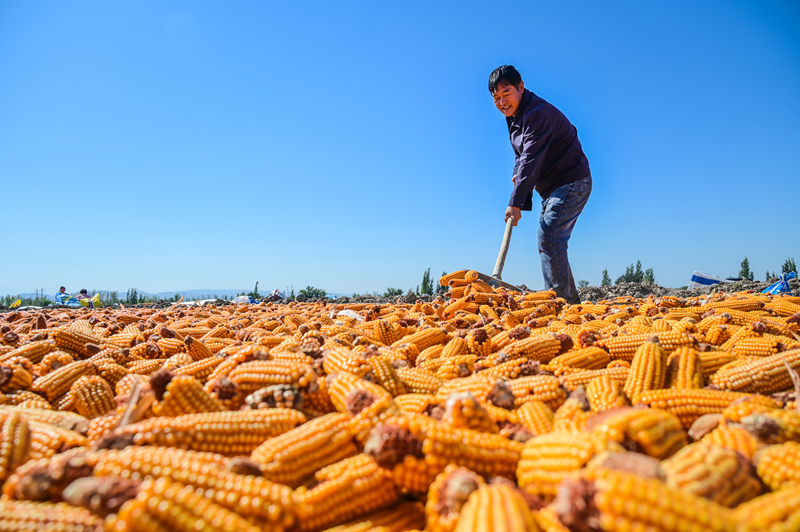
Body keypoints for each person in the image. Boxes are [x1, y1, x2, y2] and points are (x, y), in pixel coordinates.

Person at [489, 65, 592, 304]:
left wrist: (516, 203)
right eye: (496, 98)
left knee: (550, 237)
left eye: (507, 93)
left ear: (521, 87)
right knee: (551, 239)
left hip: (571, 181)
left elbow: (531, 158)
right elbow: (522, 156)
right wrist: (518, 173)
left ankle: (560, 302)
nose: (502, 102)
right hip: (553, 188)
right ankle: (570, 303)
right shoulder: (516, 117)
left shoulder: (536, 114)